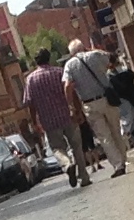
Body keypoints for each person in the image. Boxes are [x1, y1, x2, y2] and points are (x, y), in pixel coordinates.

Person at [60, 37, 128, 177]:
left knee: (104, 136)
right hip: (107, 98)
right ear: (83, 47)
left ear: (72, 53)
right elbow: (112, 59)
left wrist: (71, 105)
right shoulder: (95, 54)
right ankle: (123, 159)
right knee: (116, 130)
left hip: (90, 104)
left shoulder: (70, 65)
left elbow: (67, 86)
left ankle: (118, 164)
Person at [22, 51, 87, 187]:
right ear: (49, 58)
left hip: (49, 121)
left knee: (57, 148)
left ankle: (67, 164)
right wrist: (78, 110)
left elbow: (30, 104)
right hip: (68, 116)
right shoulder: (60, 72)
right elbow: (72, 91)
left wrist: (35, 122)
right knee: (76, 146)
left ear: (36, 62)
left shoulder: (31, 79)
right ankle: (84, 176)